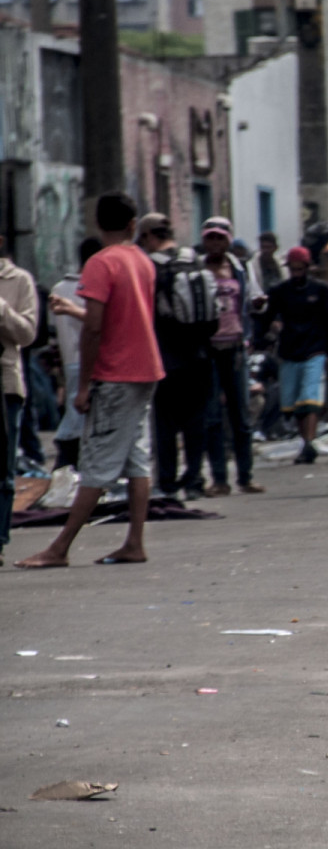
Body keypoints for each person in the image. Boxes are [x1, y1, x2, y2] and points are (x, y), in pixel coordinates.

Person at [17, 193, 163, 569]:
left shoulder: (100, 263)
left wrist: (83, 386)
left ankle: (60, 547)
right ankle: (134, 542)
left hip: (117, 372)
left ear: (98, 226)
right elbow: (119, 317)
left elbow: (97, 327)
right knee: (135, 459)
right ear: (133, 225)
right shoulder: (143, 262)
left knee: (97, 462)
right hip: (146, 368)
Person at [138, 214, 215, 500]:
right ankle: (194, 480)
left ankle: (168, 483)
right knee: (195, 423)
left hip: (166, 356)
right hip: (200, 354)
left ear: (148, 236)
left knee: (166, 425)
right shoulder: (194, 259)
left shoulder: (151, 266)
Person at [253, 245, 328, 465]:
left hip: (315, 350)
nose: (297, 273)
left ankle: (308, 443)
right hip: (290, 351)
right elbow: (266, 317)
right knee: (293, 403)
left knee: (310, 398)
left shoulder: (320, 290)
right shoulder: (279, 291)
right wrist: (256, 340)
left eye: (300, 269)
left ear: (307, 268)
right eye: (293, 269)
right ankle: (306, 441)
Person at [198, 218, 262, 496]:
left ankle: (245, 476)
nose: (215, 243)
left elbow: (255, 298)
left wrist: (259, 305)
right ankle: (219, 478)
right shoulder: (197, 270)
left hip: (235, 346)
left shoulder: (240, 268)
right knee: (212, 416)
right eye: (210, 238)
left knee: (241, 416)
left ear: (228, 241)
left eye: (220, 238)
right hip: (208, 349)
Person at [0, 231, 40, 563]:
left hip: (5, 382)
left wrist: (1, 309)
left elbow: (27, 333)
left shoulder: (19, 281)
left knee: (4, 470)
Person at [48, 238, 101, 470]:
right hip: (93, 361)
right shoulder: (95, 288)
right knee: (82, 421)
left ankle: (68, 465)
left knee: (76, 415)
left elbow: (54, 336)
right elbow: (96, 324)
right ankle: (67, 464)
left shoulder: (59, 289)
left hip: (70, 361)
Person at [246, 230, 285, 294]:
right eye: (263, 247)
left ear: (275, 248)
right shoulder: (252, 266)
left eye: (269, 247)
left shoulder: (281, 265)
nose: (266, 250)